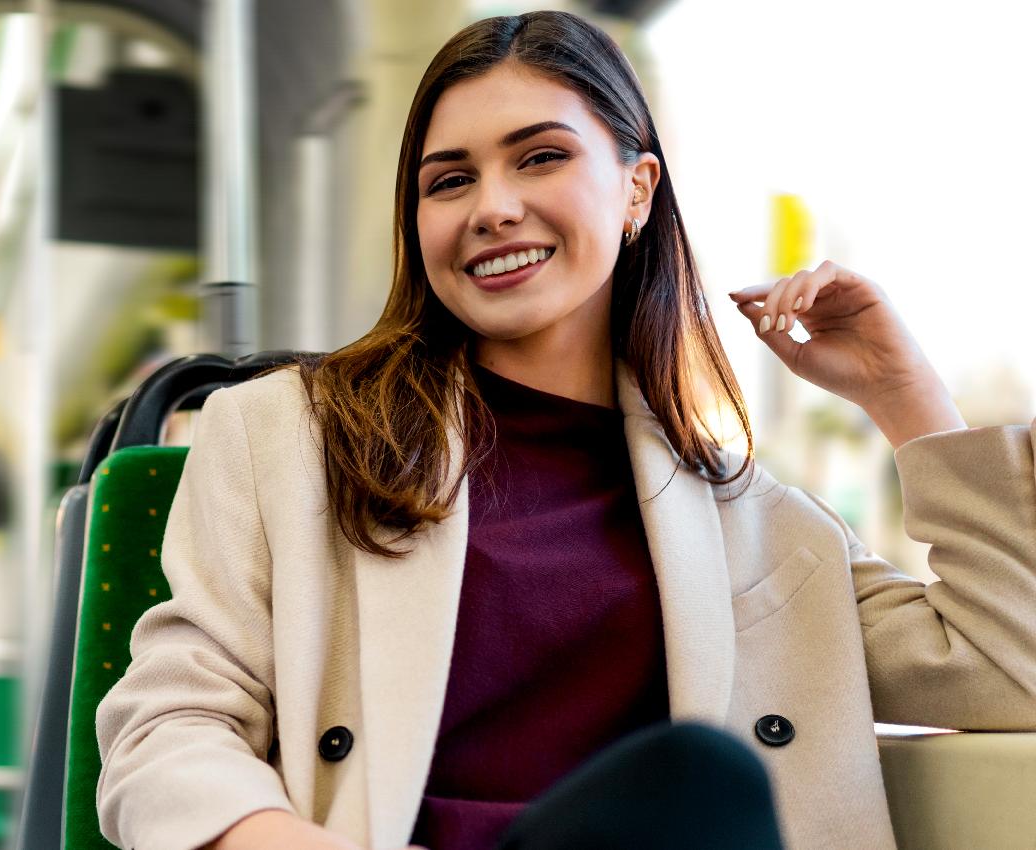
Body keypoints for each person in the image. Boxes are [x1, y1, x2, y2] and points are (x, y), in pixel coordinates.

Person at [92, 10, 1036, 850]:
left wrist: (908, 397)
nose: (493, 206)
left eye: (540, 156)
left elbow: (1009, 668)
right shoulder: (285, 436)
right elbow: (167, 728)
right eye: (448, 180)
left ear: (637, 190)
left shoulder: (747, 517)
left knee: (698, 783)